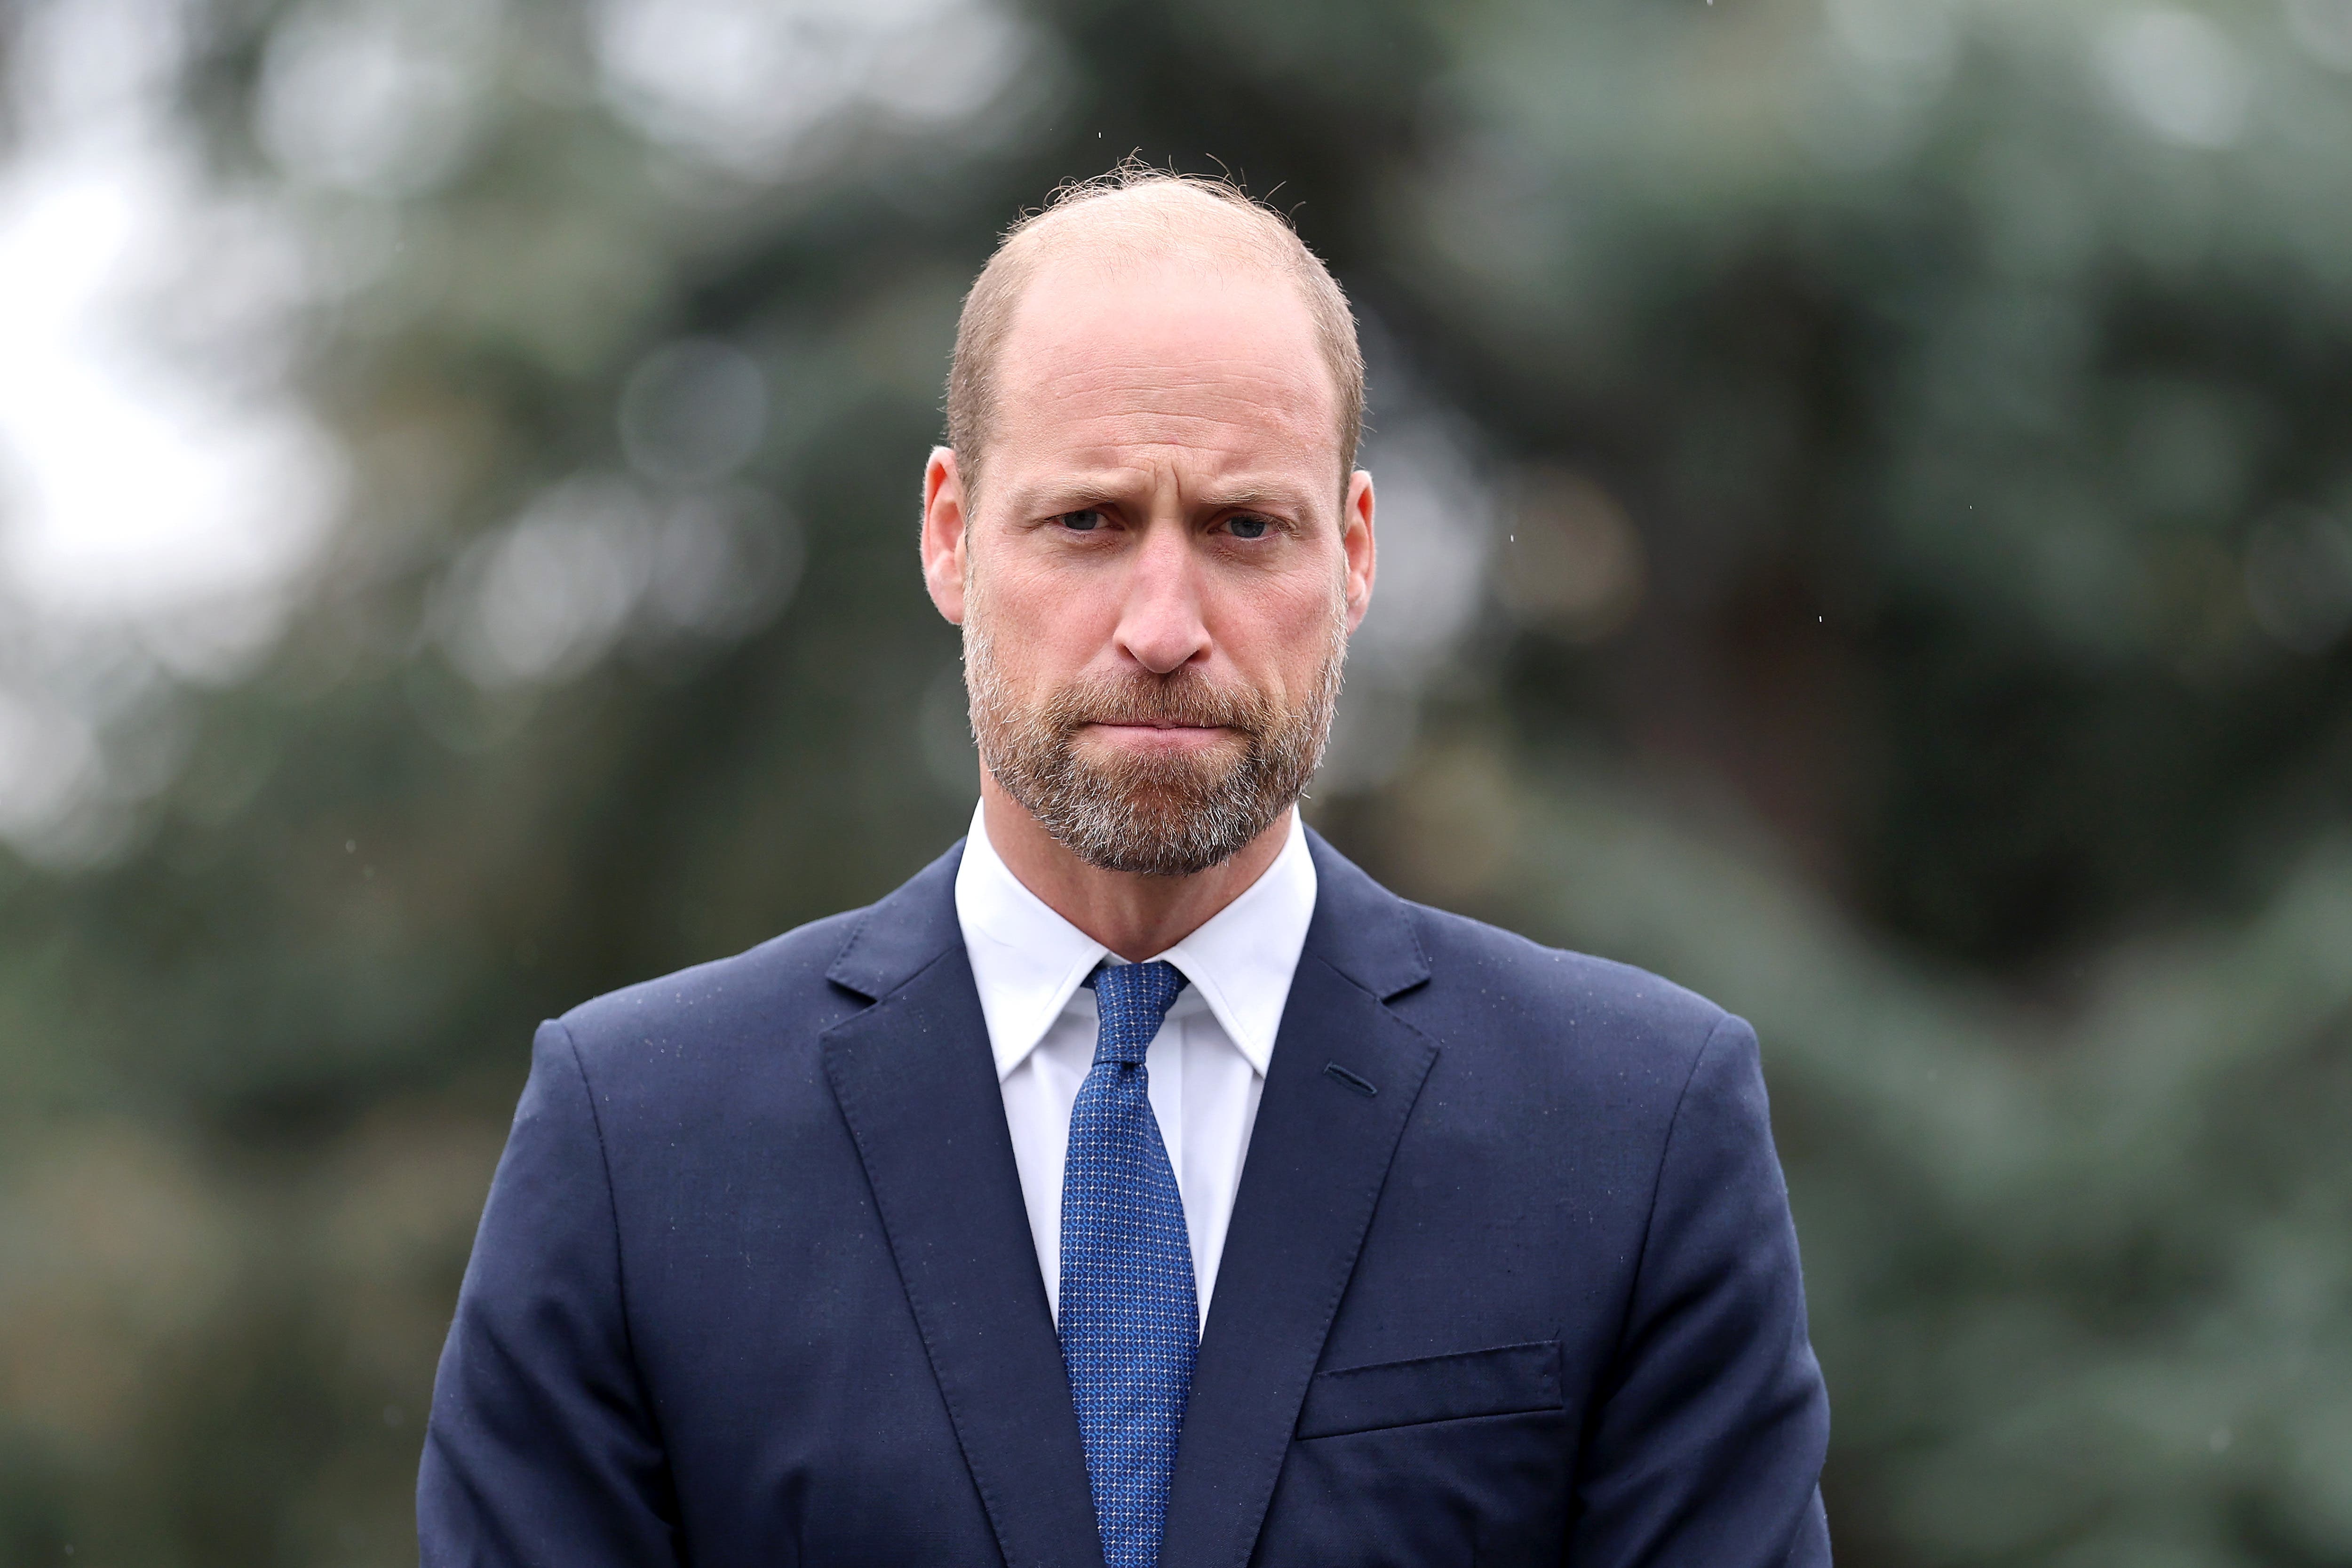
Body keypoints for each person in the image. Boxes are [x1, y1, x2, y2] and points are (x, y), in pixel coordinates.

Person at [417, 166, 1831, 1568]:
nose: (1163, 625)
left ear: (1352, 552)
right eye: (1088, 521)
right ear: (952, 534)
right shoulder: (641, 1146)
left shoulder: (1632, 1135)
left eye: (1242, 528)